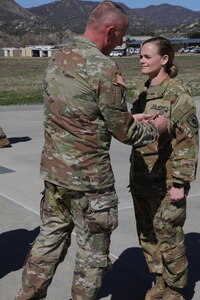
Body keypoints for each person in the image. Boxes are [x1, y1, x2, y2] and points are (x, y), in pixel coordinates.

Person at [15, 3, 167, 300]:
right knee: (92, 253)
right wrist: (155, 128)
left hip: (55, 175)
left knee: (49, 239)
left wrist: (123, 116)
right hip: (90, 182)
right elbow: (125, 133)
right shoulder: (103, 66)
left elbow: (76, 111)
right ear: (109, 31)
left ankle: (26, 296)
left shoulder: (59, 57)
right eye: (121, 36)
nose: (121, 43)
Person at [129, 36, 199, 300]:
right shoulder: (141, 92)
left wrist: (180, 183)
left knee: (169, 237)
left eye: (147, 56)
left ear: (164, 59)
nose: (142, 60)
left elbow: (188, 141)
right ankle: (159, 281)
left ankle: (176, 288)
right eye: (140, 56)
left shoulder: (177, 95)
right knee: (147, 234)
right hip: (141, 177)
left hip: (167, 181)